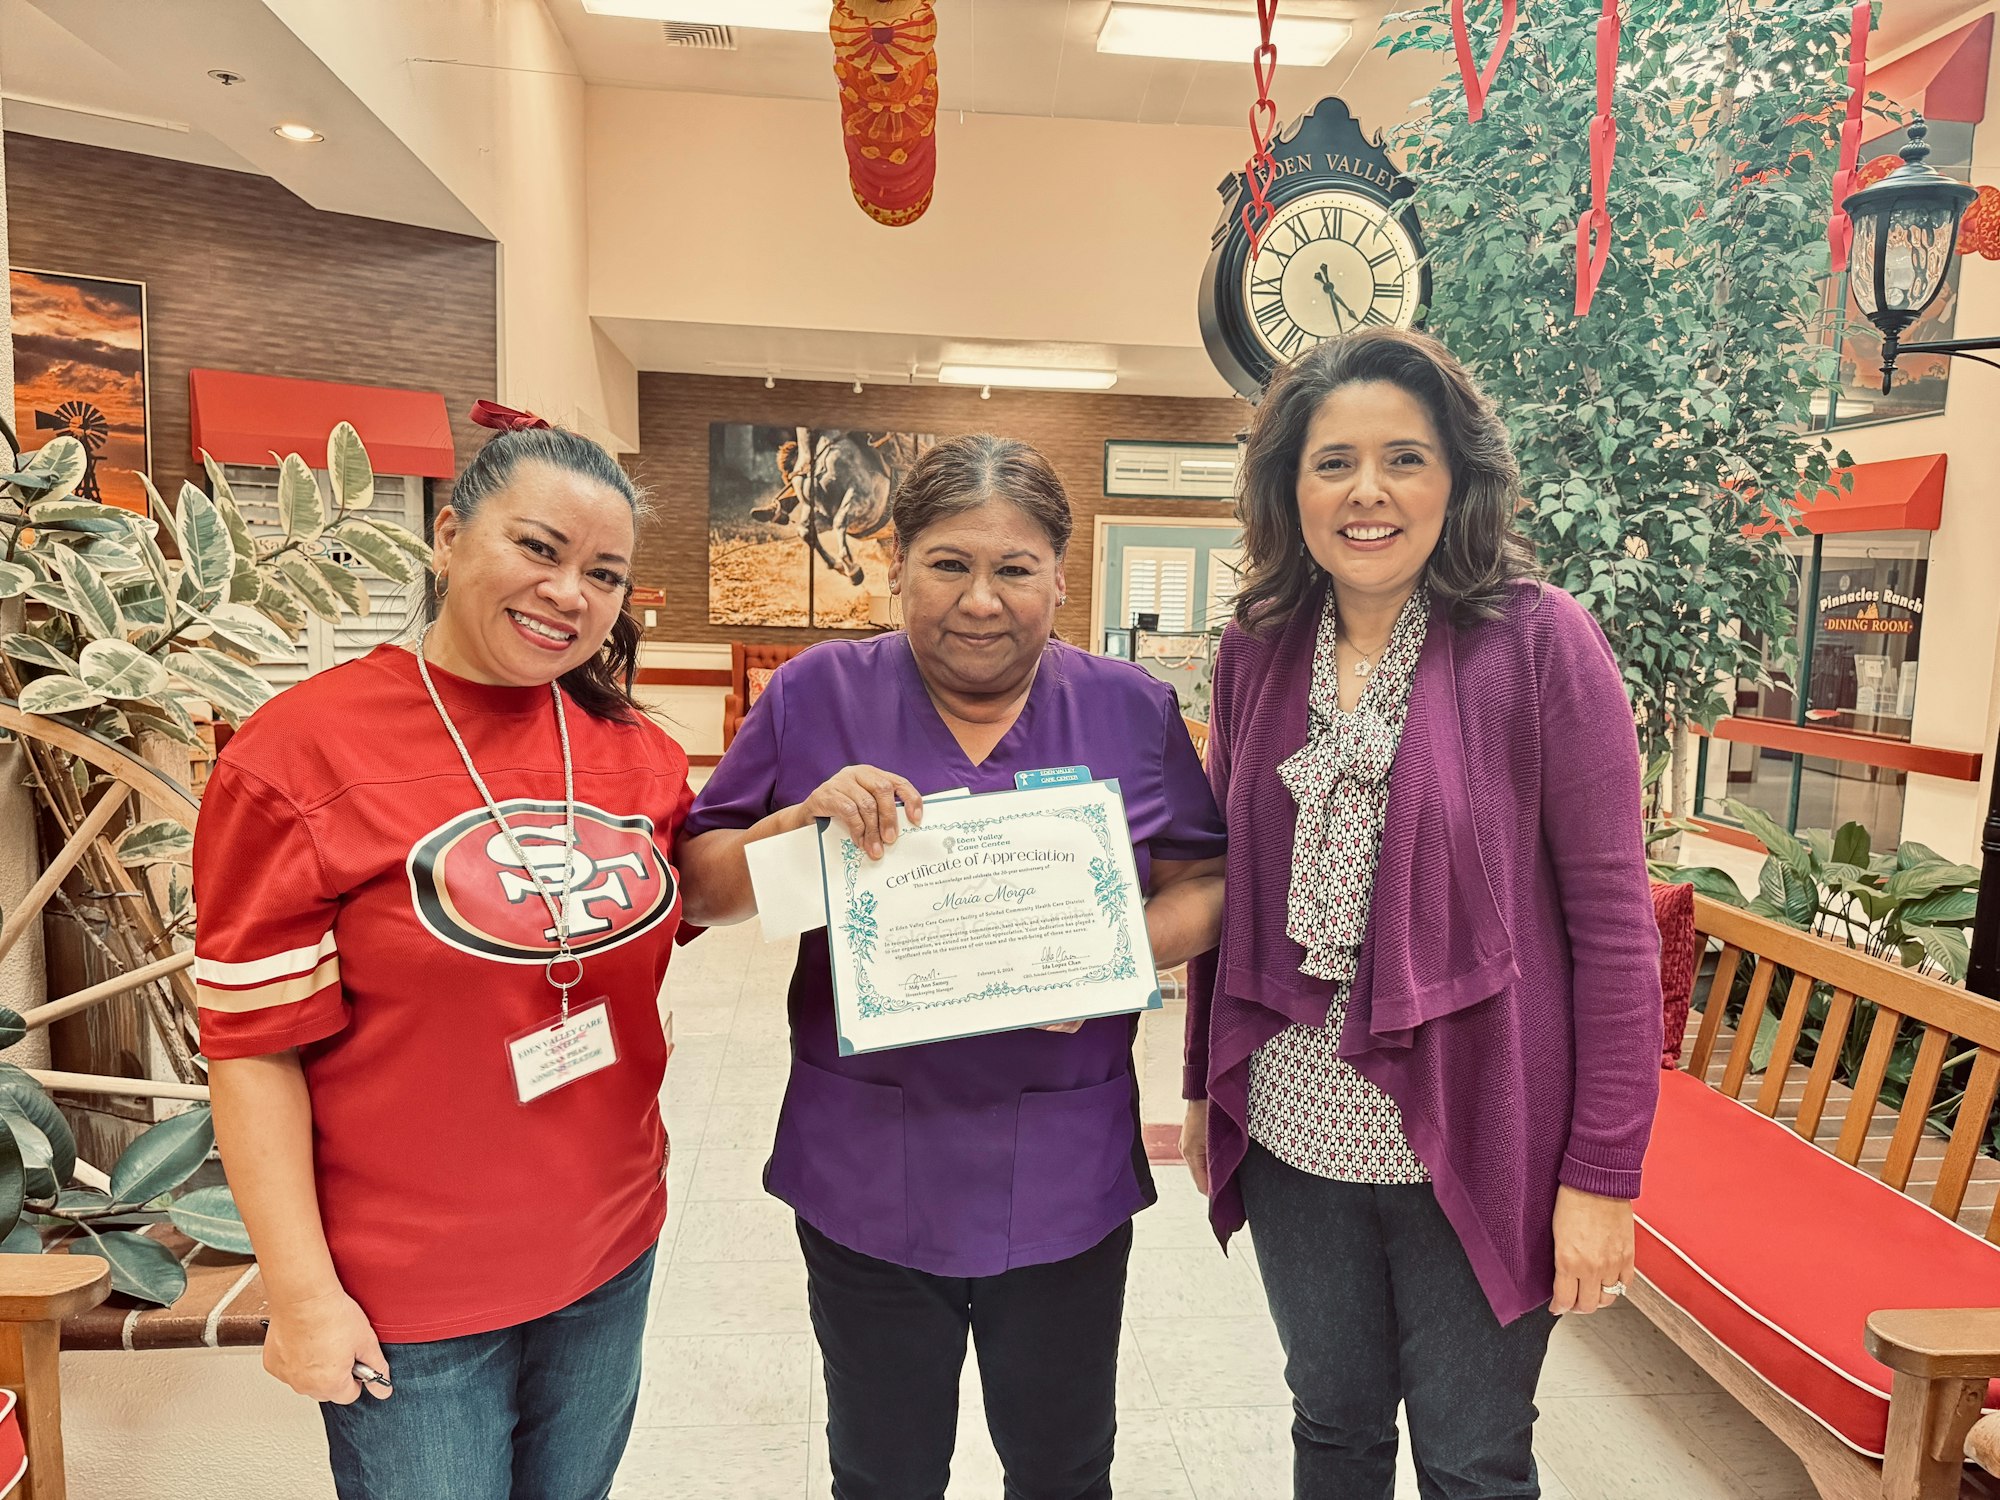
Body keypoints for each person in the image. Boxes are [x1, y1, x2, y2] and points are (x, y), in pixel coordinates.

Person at [677, 433, 1226, 1500]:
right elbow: (699, 888)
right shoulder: (812, 694)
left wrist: (1106, 956)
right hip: (866, 1161)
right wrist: (796, 827)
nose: (981, 600)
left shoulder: (1129, 708)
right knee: (882, 1473)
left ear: (1058, 580)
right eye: (948, 565)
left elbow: (1207, 884)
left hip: (1065, 1161)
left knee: (1063, 1469)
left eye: (1014, 569)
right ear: (896, 567)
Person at [1179, 329, 1663, 1500]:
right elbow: (1225, 880)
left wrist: (1602, 1173)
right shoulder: (1256, 646)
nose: (1367, 491)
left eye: (1403, 457)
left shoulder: (1539, 640)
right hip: (1295, 1118)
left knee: (1472, 1455)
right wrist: (1201, 1084)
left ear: (1456, 479)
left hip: (1479, 1118)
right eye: (1331, 461)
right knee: (1331, 1430)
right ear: (1288, 485)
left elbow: (1611, 927)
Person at [197, 403, 691, 1500]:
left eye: (604, 574)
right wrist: (303, 1293)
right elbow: (250, 1047)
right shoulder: (300, 751)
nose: (571, 594)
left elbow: (685, 908)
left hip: (609, 1247)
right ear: (448, 534)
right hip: (410, 1292)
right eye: (539, 549)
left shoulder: (635, 752)